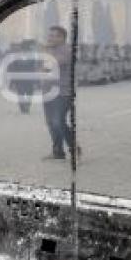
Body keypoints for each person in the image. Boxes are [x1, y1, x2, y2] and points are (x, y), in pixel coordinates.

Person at [41, 26, 77, 160]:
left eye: (54, 36)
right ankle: (57, 152)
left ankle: (74, 148)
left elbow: (50, 64)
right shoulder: (51, 50)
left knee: (59, 122)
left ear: (62, 38)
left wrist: (46, 50)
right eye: (49, 35)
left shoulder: (67, 51)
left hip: (63, 93)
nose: (50, 38)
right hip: (48, 92)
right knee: (51, 123)